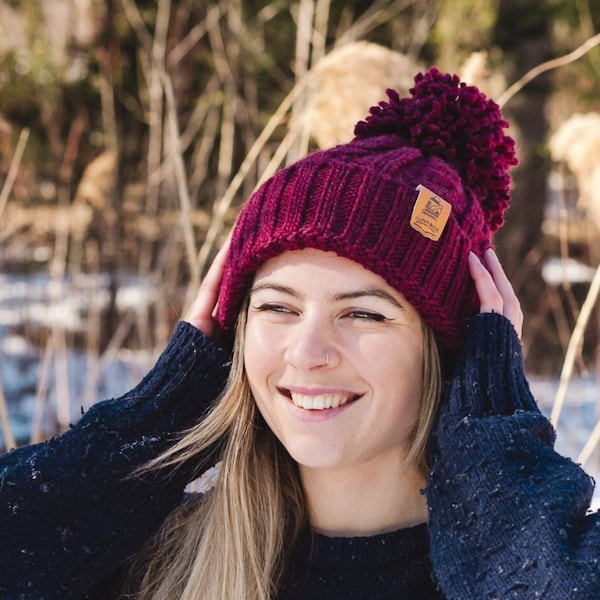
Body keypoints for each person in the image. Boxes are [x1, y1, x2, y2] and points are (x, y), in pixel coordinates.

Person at [1, 68, 599, 599]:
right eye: (277, 308)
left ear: (455, 353)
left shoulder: (517, 565)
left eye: (365, 313)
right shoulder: (149, 560)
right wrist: (160, 424)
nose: (308, 353)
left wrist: (495, 446)